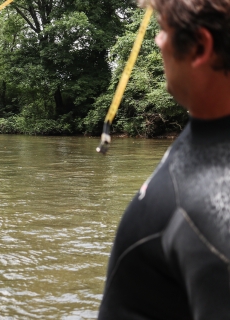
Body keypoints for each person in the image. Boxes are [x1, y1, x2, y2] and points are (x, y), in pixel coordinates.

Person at [98, 0, 230, 319]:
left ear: (200, 46)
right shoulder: (211, 127)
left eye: (161, 29)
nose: (157, 41)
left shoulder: (214, 214)